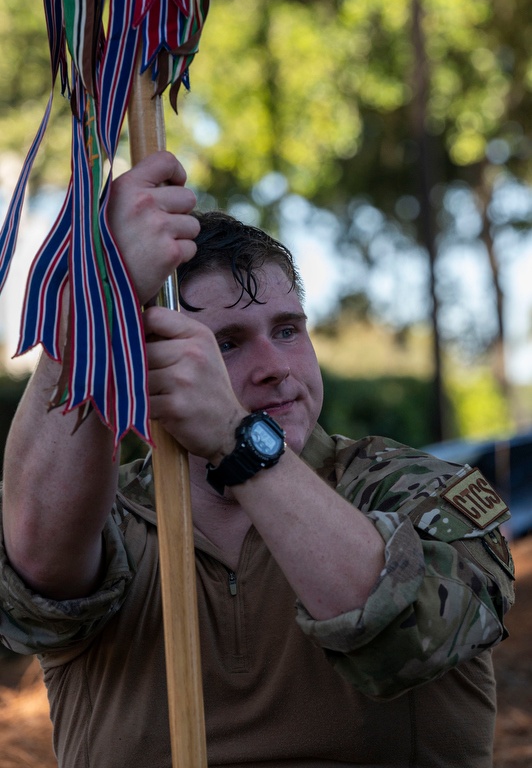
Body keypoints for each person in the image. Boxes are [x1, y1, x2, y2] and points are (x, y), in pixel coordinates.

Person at [0, 152, 514, 768]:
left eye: (289, 330)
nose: (275, 366)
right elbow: (35, 567)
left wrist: (236, 438)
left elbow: (406, 636)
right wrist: (90, 313)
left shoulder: (419, 489)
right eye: (228, 343)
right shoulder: (106, 517)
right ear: (143, 363)